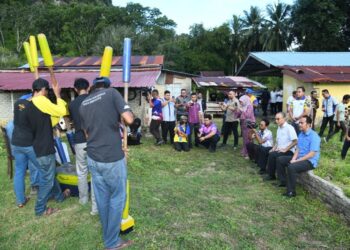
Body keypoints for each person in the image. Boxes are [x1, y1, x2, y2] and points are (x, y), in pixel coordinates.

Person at [80, 77, 134, 250]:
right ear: (108, 86)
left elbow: (87, 134)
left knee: (102, 198)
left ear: (93, 87)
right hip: (110, 158)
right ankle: (111, 242)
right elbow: (129, 119)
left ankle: (108, 234)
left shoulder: (83, 103)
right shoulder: (112, 93)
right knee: (118, 197)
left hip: (93, 157)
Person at [27, 78, 71, 216]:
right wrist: (58, 95)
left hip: (34, 147)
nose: (47, 94)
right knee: (47, 180)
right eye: (47, 91)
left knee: (51, 173)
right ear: (43, 90)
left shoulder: (29, 103)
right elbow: (62, 110)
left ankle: (59, 197)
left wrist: (56, 116)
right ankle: (40, 209)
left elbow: (49, 120)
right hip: (44, 147)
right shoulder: (41, 100)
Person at [68, 78, 97, 215]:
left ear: (75, 89)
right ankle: (95, 204)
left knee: (81, 171)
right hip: (94, 139)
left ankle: (83, 199)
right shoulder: (94, 99)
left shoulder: (72, 104)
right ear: (89, 87)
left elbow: (73, 121)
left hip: (79, 140)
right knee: (96, 172)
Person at [276, 116, 321, 197]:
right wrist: (293, 159)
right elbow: (298, 149)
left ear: (308, 124)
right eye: (299, 122)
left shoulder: (314, 136)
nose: (299, 124)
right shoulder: (301, 134)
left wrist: (296, 161)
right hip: (300, 158)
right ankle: (283, 182)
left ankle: (291, 192)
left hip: (309, 161)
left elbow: (312, 154)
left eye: (302, 123)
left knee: (291, 167)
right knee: (280, 159)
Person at [11, 95, 41, 207]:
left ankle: (20, 201)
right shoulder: (32, 107)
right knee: (43, 168)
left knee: (19, 171)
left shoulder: (17, 105)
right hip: (28, 144)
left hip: (16, 142)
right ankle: (48, 195)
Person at [264, 112, 298, 181]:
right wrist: (273, 148)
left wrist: (285, 149)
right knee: (270, 152)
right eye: (275, 119)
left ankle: (275, 177)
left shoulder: (289, 128)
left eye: (278, 119)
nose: (276, 121)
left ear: (284, 119)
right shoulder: (279, 128)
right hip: (280, 150)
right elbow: (277, 141)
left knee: (273, 155)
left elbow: (295, 141)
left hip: (289, 151)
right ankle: (270, 174)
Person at [239, 94, 256, 158]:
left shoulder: (249, 106)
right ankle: (245, 151)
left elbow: (248, 115)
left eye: (241, 101)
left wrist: (241, 110)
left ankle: (249, 153)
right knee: (245, 138)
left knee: (249, 138)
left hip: (249, 124)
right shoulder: (243, 106)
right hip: (244, 123)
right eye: (240, 101)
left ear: (245, 100)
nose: (240, 103)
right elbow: (238, 114)